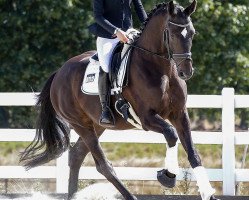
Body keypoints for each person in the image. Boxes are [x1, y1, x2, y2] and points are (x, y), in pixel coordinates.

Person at [89, 0, 147, 127]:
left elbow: (139, 8)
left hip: (129, 33)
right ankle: (105, 110)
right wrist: (116, 31)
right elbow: (98, 16)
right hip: (108, 36)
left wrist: (148, 26)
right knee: (105, 65)